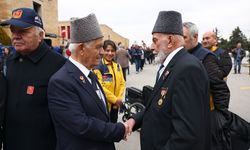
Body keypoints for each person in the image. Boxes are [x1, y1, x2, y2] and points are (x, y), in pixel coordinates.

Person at [126, 11, 211, 150]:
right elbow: (158, 105)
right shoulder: (172, 65)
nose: (152, 47)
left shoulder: (188, 69)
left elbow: (186, 135)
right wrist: (136, 119)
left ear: (170, 41)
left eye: (155, 40)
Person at [47, 14, 128, 150]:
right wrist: (119, 130)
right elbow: (82, 125)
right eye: (98, 47)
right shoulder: (61, 81)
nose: (102, 52)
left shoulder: (90, 74)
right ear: (81, 49)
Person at [0, 8, 66, 150]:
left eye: (22, 31)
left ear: (40, 35)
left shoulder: (59, 65)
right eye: (13, 31)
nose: (15, 36)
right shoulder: (10, 61)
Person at [93, 40, 125, 123]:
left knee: (114, 125)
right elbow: (101, 87)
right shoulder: (98, 67)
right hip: (104, 107)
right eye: (107, 50)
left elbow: (122, 83)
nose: (110, 53)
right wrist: (115, 100)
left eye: (112, 51)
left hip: (116, 105)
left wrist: (119, 98)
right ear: (103, 51)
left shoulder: (117, 66)